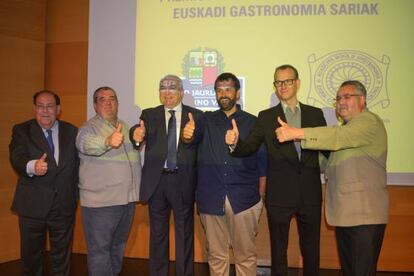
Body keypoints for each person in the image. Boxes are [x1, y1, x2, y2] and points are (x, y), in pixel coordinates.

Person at [275, 80, 388, 276]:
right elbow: (326, 164)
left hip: (364, 215)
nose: (341, 102)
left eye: (347, 97)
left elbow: (337, 136)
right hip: (346, 215)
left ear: (362, 100)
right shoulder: (347, 132)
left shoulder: (368, 121)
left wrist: (297, 133)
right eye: (337, 98)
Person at [226, 65, 328, 276]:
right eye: (278, 82)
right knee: (278, 250)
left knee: (311, 249)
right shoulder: (266, 117)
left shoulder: (315, 114)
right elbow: (249, 147)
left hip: (310, 193)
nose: (282, 86)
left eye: (287, 81)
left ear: (297, 83)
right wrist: (235, 143)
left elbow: (328, 149)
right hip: (279, 194)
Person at [182, 72, 266, 275]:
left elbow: (262, 159)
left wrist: (261, 195)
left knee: (245, 255)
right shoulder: (204, 120)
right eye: (219, 90)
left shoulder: (253, 122)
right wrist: (187, 136)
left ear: (237, 93)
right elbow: (190, 141)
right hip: (211, 196)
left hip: (245, 198)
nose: (224, 94)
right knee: (216, 255)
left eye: (228, 89)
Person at [129, 75, 204, 276]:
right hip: (157, 182)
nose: (168, 92)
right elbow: (138, 132)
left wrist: (192, 136)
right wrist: (135, 137)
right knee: (158, 235)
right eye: (163, 88)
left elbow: (200, 142)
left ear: (182, 92)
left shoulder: (196, 115)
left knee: (184, 234)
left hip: (183, 181)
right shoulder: (149, 114)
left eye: (172, 88)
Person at [9, 90, 79, 276]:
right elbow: (17, 157)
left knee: (61, 258)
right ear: (34, 109)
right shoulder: (21, 130)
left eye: (50, 106)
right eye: (40, 106)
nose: (45, 111)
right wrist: (32, 166)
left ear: (58, 109)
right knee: (31, 258)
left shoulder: (72, 131)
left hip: (63, 205)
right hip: (33, 205)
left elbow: (79, 165)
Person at [76, 86, 141, 276]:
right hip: (101, 204)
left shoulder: (125, 126)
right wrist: (106, 142)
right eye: (102, 99)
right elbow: (84, 143)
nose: (108, 102)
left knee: (118, 247)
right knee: (100, 251)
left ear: (118, 104)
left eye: (112, 98)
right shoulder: (89, 127)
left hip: (126, 200)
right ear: (95, 106)